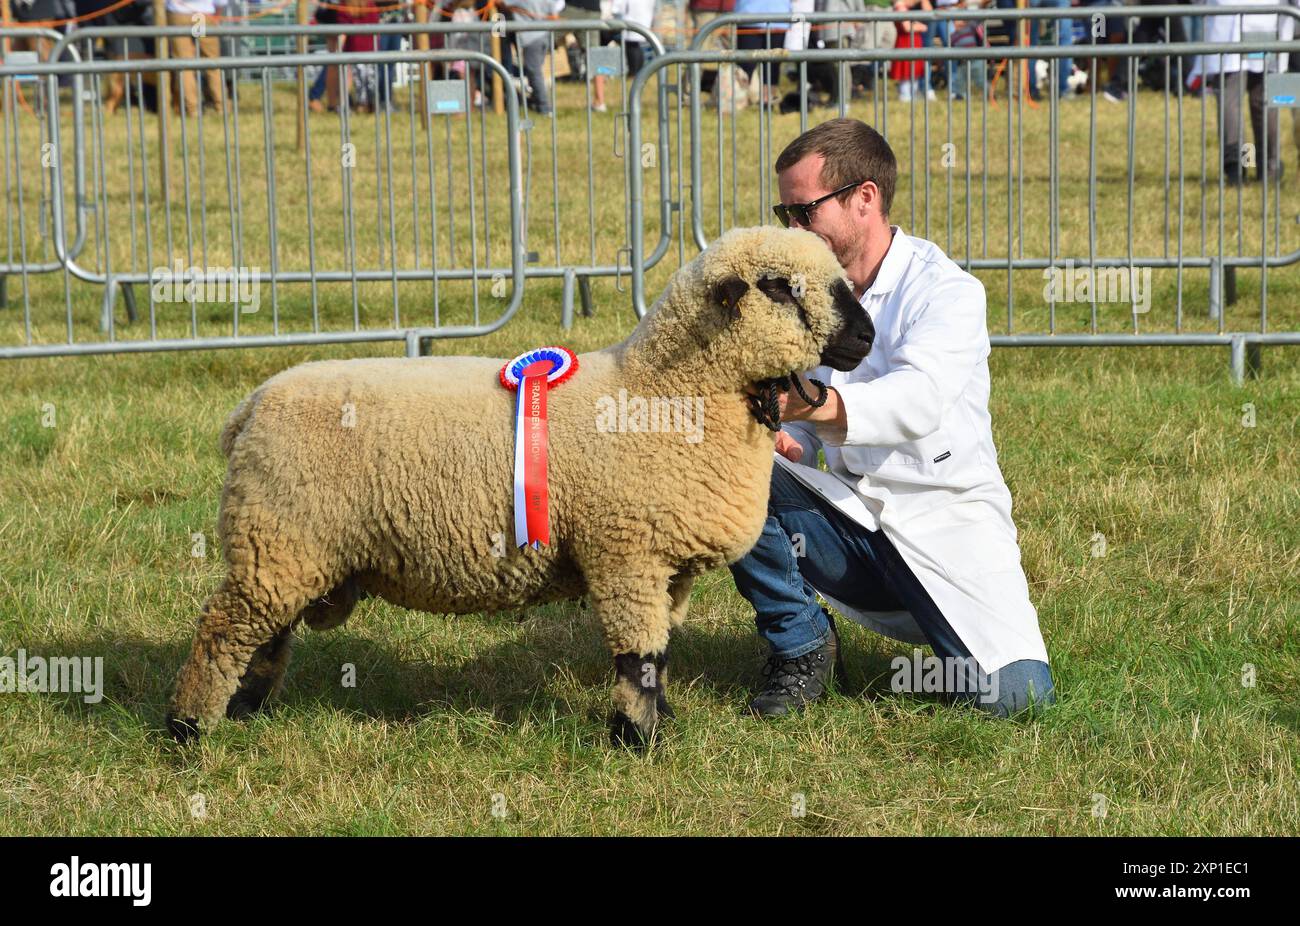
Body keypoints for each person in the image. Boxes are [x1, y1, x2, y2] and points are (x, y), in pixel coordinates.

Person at [729, 118, 1056, 720]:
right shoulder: (804, 293)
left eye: (805, 212)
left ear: (864, 199)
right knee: (728, 462)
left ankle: (944, 637)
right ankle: (801, 643)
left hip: (947, 522)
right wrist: (788, 437)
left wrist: (813, 409)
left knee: (1017, 701)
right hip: (852, 520)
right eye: (786, 215)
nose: (794, 230)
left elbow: (920, 398)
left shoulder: (948, 291)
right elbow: (801, 415)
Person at [1187, 0, 1293, 185]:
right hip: (1263, 22)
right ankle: (1266, 165)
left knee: (1234, 102)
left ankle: (1241, 166)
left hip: (1232, 22)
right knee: (1263, 99)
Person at [165, 0, 227, 116]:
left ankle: (192, 109)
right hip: (201, 15)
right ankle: (221, 107)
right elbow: (221, 2)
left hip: (178, 14)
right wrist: (216, 15)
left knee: (184, 64)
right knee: (211, 61)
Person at [733, 0, 790, 103]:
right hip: (748, 17)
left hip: (778, 17)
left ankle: (767, 101)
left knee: (772, 65)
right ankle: (741, 100)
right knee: (745, 65)